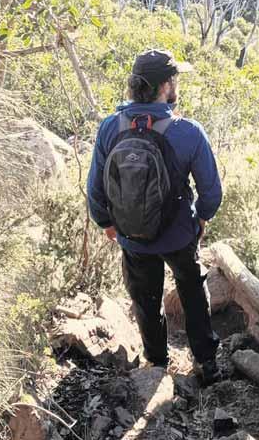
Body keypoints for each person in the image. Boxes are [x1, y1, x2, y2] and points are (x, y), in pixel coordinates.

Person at [86, 48, 223, 384]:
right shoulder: (188, 131)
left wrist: (107, 223)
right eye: (175, 79)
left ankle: (157, 364)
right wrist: (200, 219)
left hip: (132, 237)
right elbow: (211, 191)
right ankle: (205, 363)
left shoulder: (110, 127)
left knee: (145, 300)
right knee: (192, 292)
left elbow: (95, 188)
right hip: (179, 234)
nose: (177, 85)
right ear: (165, 86)